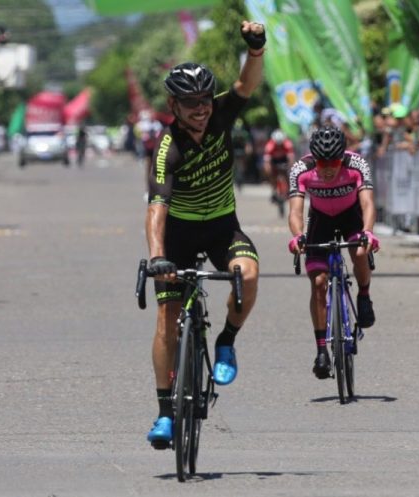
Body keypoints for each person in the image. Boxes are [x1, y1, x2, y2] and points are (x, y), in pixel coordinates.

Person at [144, 20, 266, 447]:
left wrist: (255, 50)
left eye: (204, 100)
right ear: (173, 105)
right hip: (177, 237)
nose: (201, 109)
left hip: (220, 227)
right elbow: (157, 208)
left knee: (247, 276)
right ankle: (164, 413)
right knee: (167, 320)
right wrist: (158, 256)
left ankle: (227, 341)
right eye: (190, 102)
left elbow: (245, 86)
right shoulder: (167, 149)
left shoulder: (221, 114)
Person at [286, 125, 380, 379]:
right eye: (322, 162)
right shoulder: (301, 169)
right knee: (318, 283)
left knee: (360, 252)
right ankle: (321, 351)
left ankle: (363, 295)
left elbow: (368, 203)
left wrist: (368, 232)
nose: (327, 168)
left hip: (351, 216)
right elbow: (296, 211)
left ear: (343, 156)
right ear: (313, 158)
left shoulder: (357, 164)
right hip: (321, 220)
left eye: (334, 162)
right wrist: (297, 237)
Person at [262, 128, 295, 212]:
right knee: (271, 174)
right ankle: (274, 190)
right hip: (274, 161)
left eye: (281, 144)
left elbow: (291, 158)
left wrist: (291, 168)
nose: (279, 146)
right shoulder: (269, 146)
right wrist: (268, 170)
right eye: (277, 144)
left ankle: (288, 190)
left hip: (284, 160)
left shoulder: (288, 144)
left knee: (288, 174)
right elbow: (267, 161)